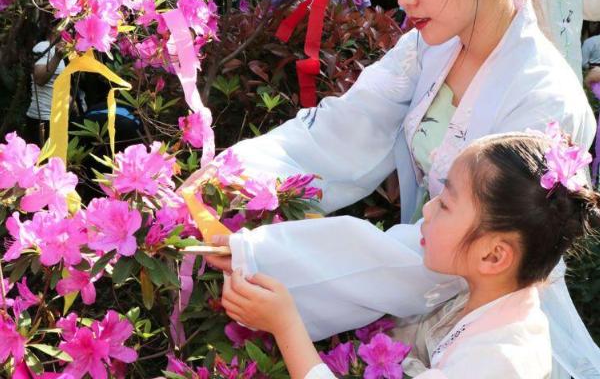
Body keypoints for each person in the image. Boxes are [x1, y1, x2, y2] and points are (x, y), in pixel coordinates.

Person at [182, 0, 599, 377]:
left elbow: (472, 247)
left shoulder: (545, 97)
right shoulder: (431, 45)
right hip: (418, 277)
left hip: (483, 306)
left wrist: (264, 254)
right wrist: (231, 179)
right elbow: (343, 131)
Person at [220, 131, 600, 379]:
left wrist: (286, 326)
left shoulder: (497, 361)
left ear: (493, 256)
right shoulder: (497, 302)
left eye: (447, 204)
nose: (429, 209)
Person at [23, 31, 65, 146]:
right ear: (53, 28)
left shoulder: (61, 49)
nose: (70, 31)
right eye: (67, 26)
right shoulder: (43, 47)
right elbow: (40, 79)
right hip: (42, 119)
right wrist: (57, 57)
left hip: (56, 118)